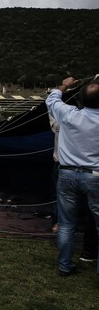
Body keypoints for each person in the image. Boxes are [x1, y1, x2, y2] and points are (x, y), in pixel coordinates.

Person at [45, 76, 99, 277]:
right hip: (95, 176)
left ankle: (64, 265)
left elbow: (52, 99)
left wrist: (65, 85)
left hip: (66, 174)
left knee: (66, 224)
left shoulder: (68, 114)